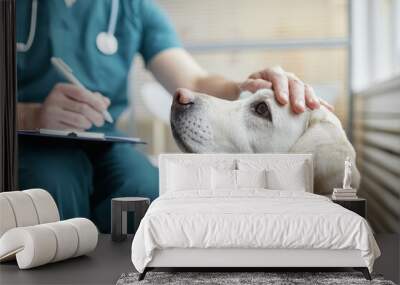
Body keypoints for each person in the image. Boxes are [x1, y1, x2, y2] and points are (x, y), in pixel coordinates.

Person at [16, 0, 332, 233]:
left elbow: (193, 82)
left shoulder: (133, 9)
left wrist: (242, 87)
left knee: (148, 188)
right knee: (51, 188)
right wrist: (32, 115)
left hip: (107, 140)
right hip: (29, 140)